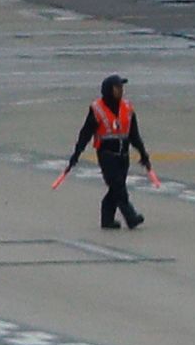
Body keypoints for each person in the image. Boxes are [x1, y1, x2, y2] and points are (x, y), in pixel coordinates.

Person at [63, 74, 154, 231]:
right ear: (108, 90)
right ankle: (130, 217)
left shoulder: (127, 108)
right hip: (106, 155)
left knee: (115, 188)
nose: (121, 90)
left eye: (121, 87)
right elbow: (85, 133)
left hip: (123, 155)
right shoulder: (97, 109)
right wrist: (76, 154)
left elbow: (134, 134)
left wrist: (143, 154)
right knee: (118, 187)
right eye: (117, 87)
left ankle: (107, 220)